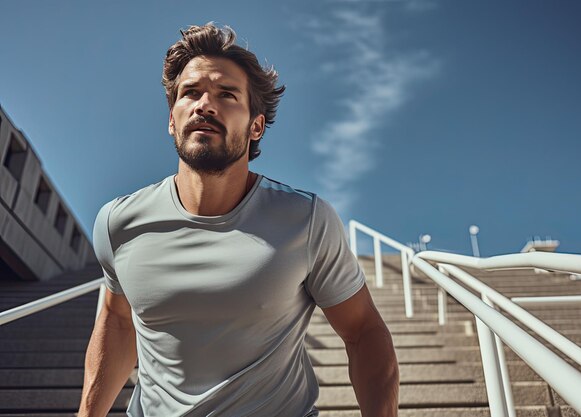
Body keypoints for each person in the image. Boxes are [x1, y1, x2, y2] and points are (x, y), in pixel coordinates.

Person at [78, 23, 399, 417]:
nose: (204, 105)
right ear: (172, 120)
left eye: (226, 95)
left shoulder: (306, 220)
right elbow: (118, 320)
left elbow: (364, 331)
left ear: (256, 126)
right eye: (190, 93)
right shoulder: (118, 222)